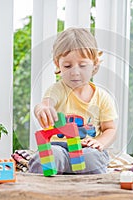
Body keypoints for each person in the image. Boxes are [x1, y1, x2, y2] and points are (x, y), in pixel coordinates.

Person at [29, 27, 118, 174]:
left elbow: (110, 129)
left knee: (91, 158)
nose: (75, 72)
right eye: (67, 66)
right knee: (49, 156)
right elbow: (46, 103)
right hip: (59, 146)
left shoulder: (102, 97)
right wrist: (42, 109)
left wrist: (99, 142)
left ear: (95, 63)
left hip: (87, 149)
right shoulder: (57, 89)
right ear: (58, 64)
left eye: (83, 65)